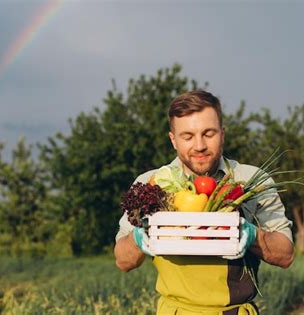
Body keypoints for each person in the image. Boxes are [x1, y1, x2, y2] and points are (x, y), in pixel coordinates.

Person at [114, 90, 294, 315]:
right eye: (187, 136)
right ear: (173, 140)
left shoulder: (252, 181)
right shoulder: (150, 184)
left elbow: (286, 255)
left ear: (223, 133)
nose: (199, 146)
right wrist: (139, 238)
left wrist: (252, 236)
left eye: (208, 133)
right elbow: (123, 261)